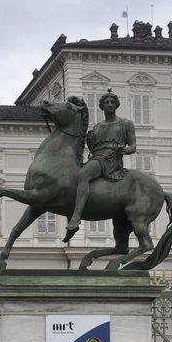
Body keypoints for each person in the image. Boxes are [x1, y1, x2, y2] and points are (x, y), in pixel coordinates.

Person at [64, 90, 136, 243]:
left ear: (116, 105)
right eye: (106, 103)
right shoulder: (97, 127)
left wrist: (124, 149)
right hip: (96, 157)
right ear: (102, 107)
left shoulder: (125, 124)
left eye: (112, 102)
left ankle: (75, 218)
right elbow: (91, 148)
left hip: (110, 158)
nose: (109, 104)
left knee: (83, 175)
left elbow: (133, 146)